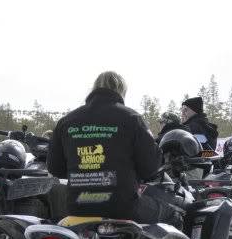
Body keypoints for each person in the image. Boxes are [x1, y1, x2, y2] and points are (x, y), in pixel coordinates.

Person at [48, 71, 174, 224]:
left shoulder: (66, 121)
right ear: (121, 91)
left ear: (94, 89)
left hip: (78, 206)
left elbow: (55, 168)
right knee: (173, 214)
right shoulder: (131, 118)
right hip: (122, 206)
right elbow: (150, 168)